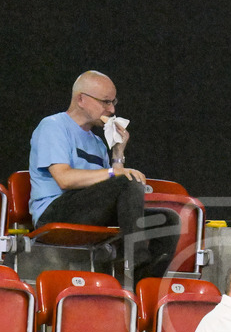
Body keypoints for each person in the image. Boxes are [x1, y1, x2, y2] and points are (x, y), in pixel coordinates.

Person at [28, 70, 180, 282]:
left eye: (113, 102)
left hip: (86, 208)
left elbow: (108, 186)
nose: (112, 109)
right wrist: (114, 173)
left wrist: (118, 154)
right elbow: (64, 179)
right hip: (54, 210)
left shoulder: (98, 142)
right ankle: (134, 258)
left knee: (167, 219)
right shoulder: (53, 126)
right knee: (126, 182)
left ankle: (144, 285)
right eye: (106, 102)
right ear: (81, 99)